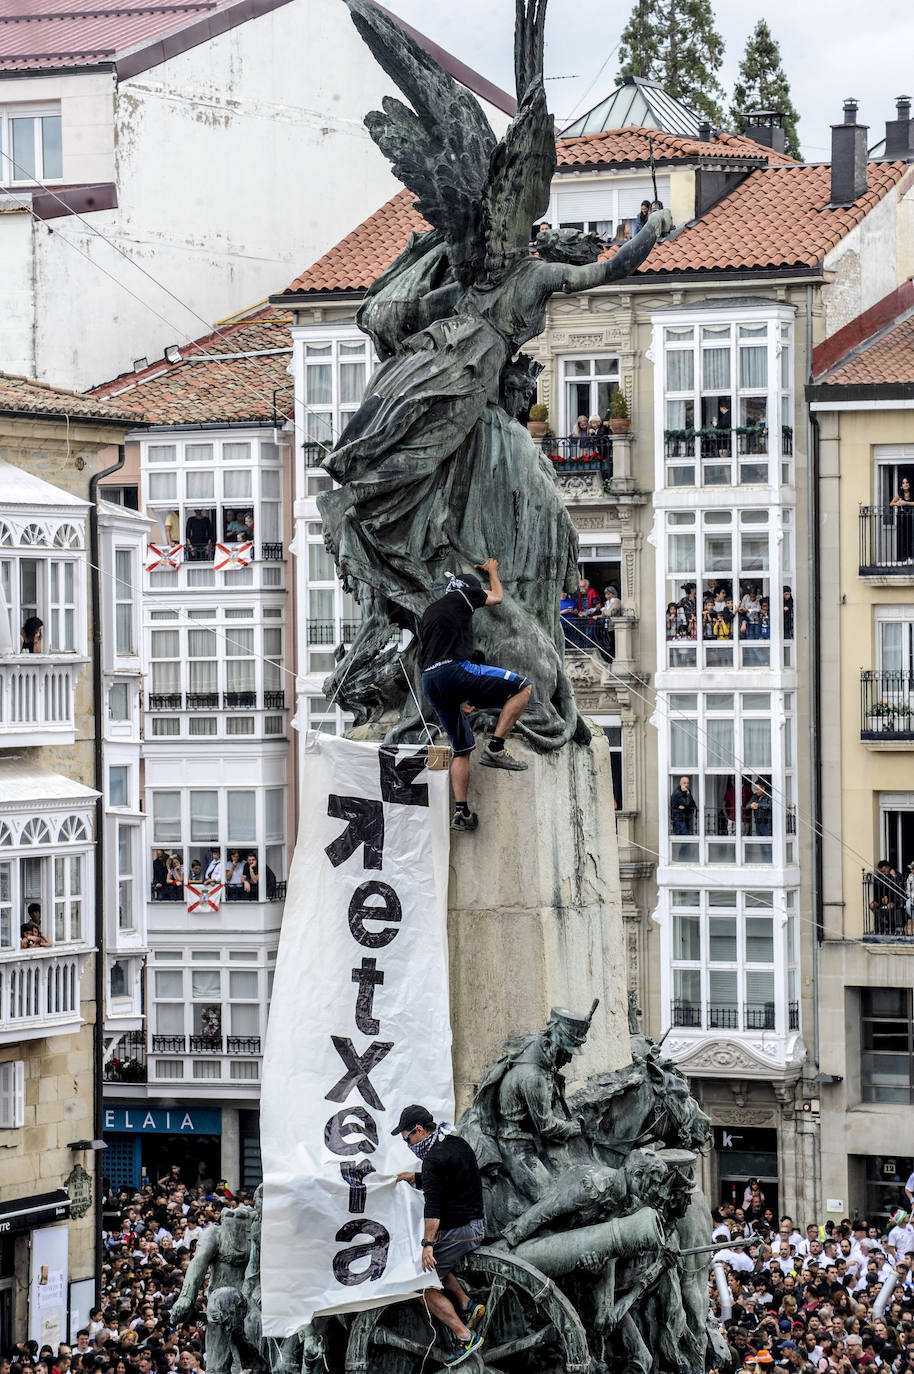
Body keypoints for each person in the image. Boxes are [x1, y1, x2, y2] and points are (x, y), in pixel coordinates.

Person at [420, 562, 532, 833]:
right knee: (523, 687)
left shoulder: (430, 611)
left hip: (430, 680)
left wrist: (465, 697)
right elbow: (497, 597)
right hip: (453, 669)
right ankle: (495, 747)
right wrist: (492, 570)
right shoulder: (462, 595)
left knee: (461, 748)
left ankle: (461, 811)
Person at [392, 1105, 485, 1366]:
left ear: (419, 1130)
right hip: (475, 1224)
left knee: (423, 1285)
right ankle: (467, 1305)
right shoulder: (456, 1143)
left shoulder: (432, 1159)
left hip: (461, 1231)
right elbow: (451, 1179)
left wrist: (427, 1245)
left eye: (406, 1138)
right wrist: (418, 1178)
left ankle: (464, 1335)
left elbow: (432, 1207)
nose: (407, 1143)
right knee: (436, 1268)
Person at [891, 475, 914, 562]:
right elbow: (891, 503)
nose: (905, 484)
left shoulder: (912, 492)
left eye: (907, 482)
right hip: (903, 518)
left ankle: (912, 557)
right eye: (903, 483)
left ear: (909, 484)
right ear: (901, 485)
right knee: (904, 537)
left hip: (912, 518)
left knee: (912, 537)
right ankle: (904, 558)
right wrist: (899, 503)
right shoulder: (899, 494)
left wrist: (906, 503)